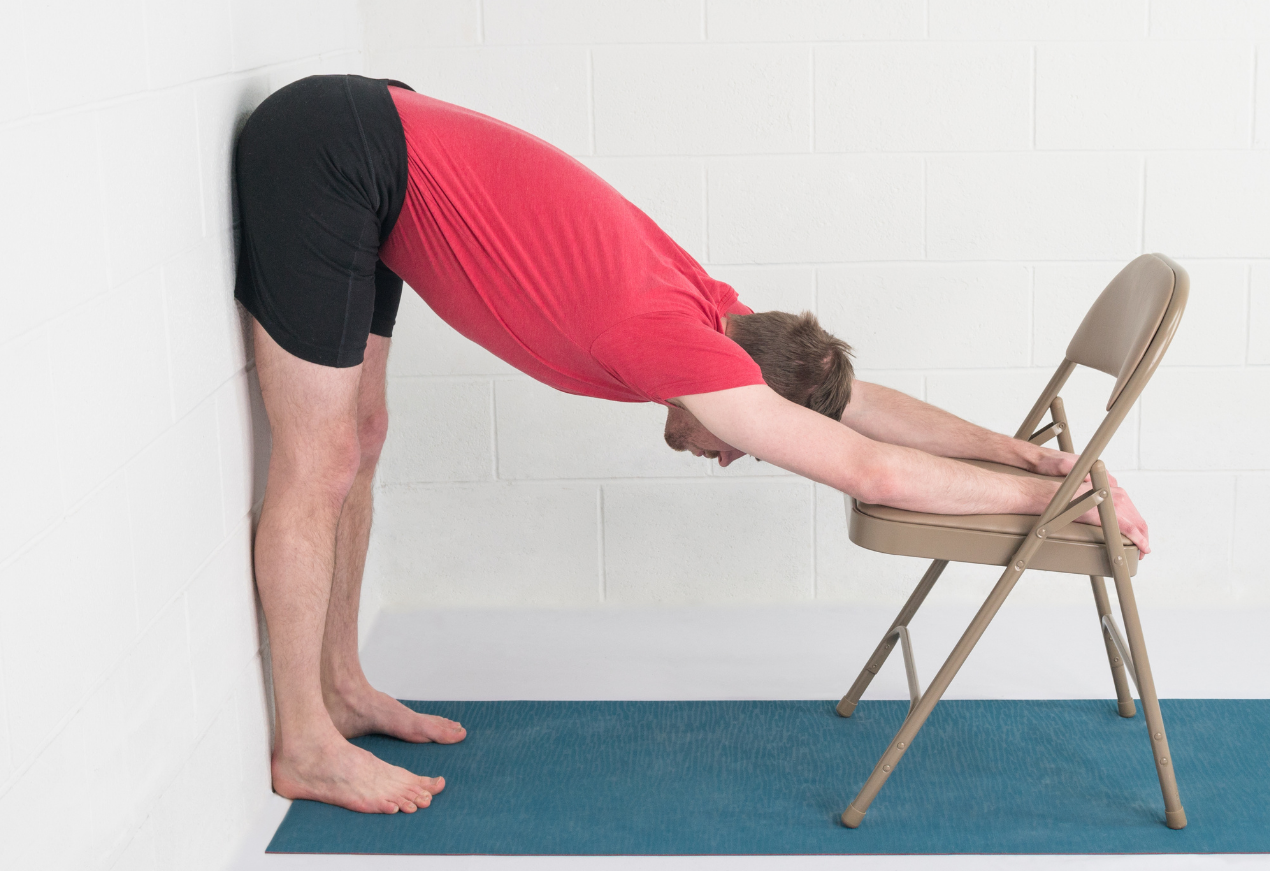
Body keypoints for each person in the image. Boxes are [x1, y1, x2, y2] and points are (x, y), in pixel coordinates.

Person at [233, 74, 1151, 816]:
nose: (727, 457)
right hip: (333, 155)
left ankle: (344, 686)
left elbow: (862, 411)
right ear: (739, 386)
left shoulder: (717, 315)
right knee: (320, 462)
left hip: (380, 152)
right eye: (742, 441)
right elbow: (868, 468)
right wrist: (1056, 500)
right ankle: (307, 744)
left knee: (362, 435)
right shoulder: (668, 338)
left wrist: (1020, 452)